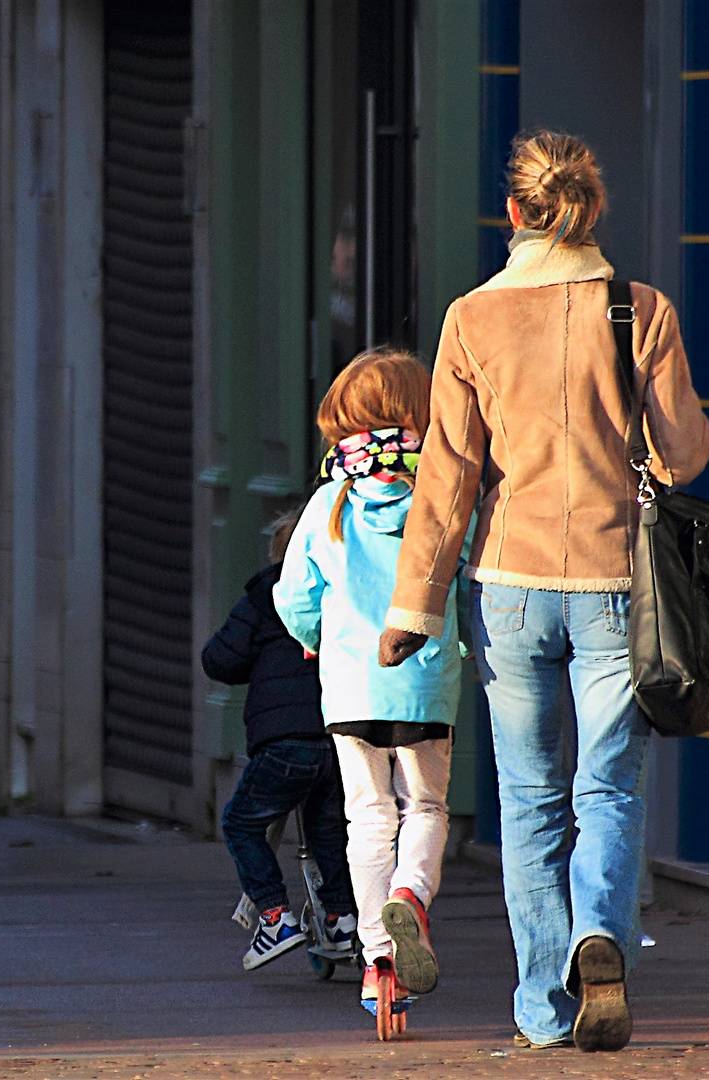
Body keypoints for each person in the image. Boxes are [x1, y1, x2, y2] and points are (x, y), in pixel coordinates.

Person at [382, 130, 709, 1053]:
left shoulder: (469, 321)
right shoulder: (638, 308)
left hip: (510, 585)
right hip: (614, 579)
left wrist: (413, 607)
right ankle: (600, 932)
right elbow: (683, 454)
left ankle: (540, 1007)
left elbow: (445, 480)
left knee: (528, 799)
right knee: (607, 786)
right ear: (590, 209)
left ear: (515, 213)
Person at [275, 348, 467, 1031]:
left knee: (368, 816)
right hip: (425, 678)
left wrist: (312, 637)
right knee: (427, 808)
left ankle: (377, 955)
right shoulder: (441, 498)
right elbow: (466, 573)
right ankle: (411, 897)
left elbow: (294, 595)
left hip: (351, 686)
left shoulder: (329, 503)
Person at [204, 509, 358, 972]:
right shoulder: (346, 594)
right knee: (330, 833)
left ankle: (275, 918)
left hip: (285, 742)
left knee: (242, 824)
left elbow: (219, 660)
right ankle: (341, 919)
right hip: (338, 736)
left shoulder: (264, 597)